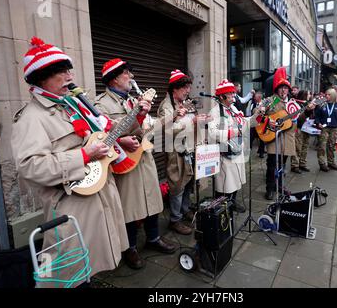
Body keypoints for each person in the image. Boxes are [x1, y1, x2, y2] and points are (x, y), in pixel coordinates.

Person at [11, 37, 128, 287]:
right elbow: (30, 167)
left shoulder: (72, 105)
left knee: (92, 260)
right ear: (43, 77)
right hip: (70, 205)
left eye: (68, 70)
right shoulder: (30, 118)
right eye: (62, 71)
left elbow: (100, 135)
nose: (69, 76)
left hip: (99, 195)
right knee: (70, 267)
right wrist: (84, 156)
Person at [94, 58, 177, 270]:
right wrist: (120, 140)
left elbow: (147, 128)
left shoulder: (134, 100)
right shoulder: (100, 104)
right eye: (126, 73)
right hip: (123, 161)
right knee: (129, 206)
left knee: (151, 201)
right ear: (113, 78)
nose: (131, 77)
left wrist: (172, 117)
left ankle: (153, 238)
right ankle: (129, 247)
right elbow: (98, 134)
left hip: (143, 157)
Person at [157, 70, 201, 235]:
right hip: (175, 151)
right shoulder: (166, 106)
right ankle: (175, 220)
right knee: (177, 185)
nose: (188, 91)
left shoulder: (185, 103)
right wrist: (192, 121)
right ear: (175, 88)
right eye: (185, 88)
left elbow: (190, 121)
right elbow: (169, 130)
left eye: (189, 87)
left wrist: (198, 120)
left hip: (189, 148)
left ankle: (184, 210)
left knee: (188, 182)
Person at [208, 79, 261, 212]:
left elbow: (245, 122)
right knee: (224, 184)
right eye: (230, 94)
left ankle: (232, 202)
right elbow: (212, 133)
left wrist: (258, 115)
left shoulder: (233, 108)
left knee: (236, 180)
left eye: (233, 93)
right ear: (221, 96)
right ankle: (221, 208)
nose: (233, 96)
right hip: (225, 153)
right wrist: (232, 132)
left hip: (237, 150)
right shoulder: (214, 112)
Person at [262, 67, 296, 200]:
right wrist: (267, 120)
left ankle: (280, 186)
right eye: (281, 87)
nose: (283, 90)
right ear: (277, 89)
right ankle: (270, 188)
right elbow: (256, 113)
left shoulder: (292, 103)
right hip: (274, 137)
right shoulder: (272, 100)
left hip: (287, 139)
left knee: (282, 165)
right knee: (271, 166)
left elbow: (300, 119)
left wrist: (309, 111)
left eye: (286, 88)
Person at [315, 88, 337, 172]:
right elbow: (316, 116)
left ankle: (331, 162)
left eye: (329, 94)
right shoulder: (321, 104)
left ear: (333, 96)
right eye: (326, 94)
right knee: (322, 146)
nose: (326, 96)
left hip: (334, 129)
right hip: (324, 128)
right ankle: (322, 163)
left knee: (331, 146)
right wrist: (318, 123)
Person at [291, 90, 315, 173]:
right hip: (299, 128)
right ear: (304, 95)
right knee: (297, 147)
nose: (310, 95)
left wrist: (312, 109)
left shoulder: (308, 103)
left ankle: (302, 163)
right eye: (308, 94)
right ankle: (295, 165)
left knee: (305, 146)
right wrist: (307, 110)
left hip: (307, 128)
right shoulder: (297, 104)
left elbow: (311, 116)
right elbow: (299, 118)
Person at [246, 90, 265, 158]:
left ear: (259, 97)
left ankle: (261, 152)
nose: (254, 98)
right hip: (253, 124)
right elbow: (249, 113)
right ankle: (248, 149)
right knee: (250, 137)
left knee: (262, 138)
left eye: (255, 97)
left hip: (261, 124)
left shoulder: (264, 103)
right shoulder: (252, 103)